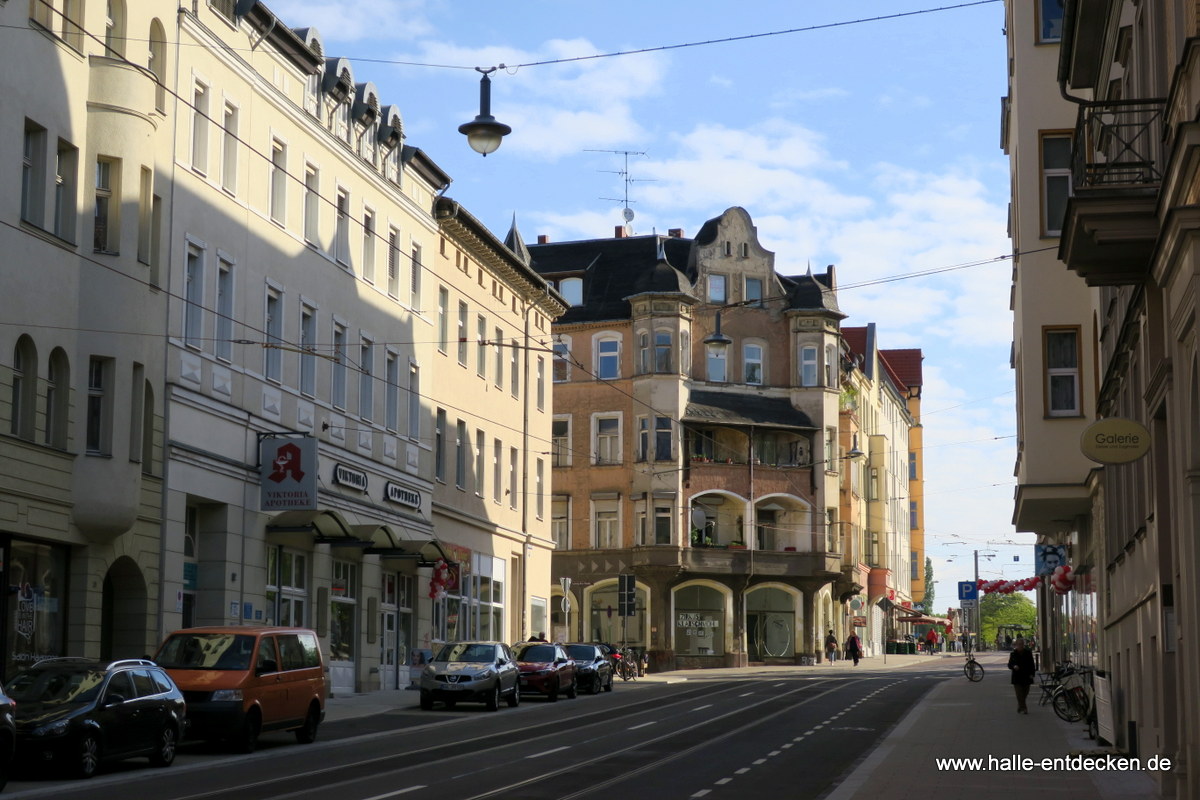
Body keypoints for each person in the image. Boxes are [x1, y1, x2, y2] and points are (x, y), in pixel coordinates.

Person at [1007, 637, 1037, 714]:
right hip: (1017, 677)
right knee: (1019, 693)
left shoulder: (1028, 653)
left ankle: (1020, 706)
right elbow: (1009, 664)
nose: (1020, 646)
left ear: (1023, 645)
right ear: (1016, 645)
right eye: (1018, 644)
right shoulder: (1013, 654)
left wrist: (1032, 674)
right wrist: (1014, 666)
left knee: (1025, 692)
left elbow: (1032, 665)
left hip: (1027, 676)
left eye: (1021, 644)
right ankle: (1024, 708)